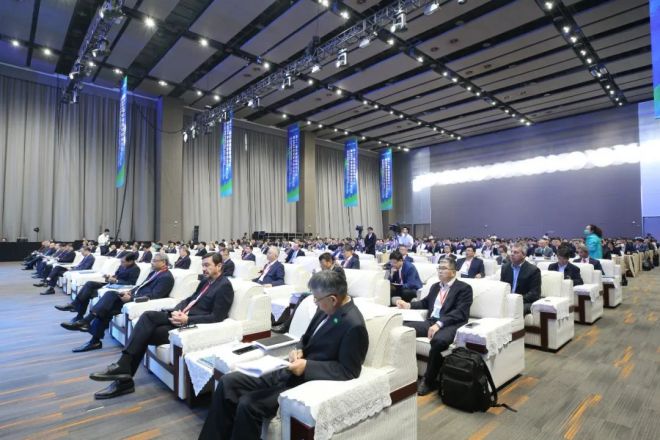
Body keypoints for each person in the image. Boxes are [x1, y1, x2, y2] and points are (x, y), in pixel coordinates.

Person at [198, 270, 368, 440]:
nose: (315, 302)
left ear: (333, 299)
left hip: (306, 381)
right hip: (287, 369)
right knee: (228, 382)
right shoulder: (326, 307)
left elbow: (349, 370)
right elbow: (306, 338)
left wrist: (307, 367)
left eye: (317, 299)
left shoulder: (354, 325)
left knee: (248, 403)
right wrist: (299, 349)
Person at [89, 252, 234, 399]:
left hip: (189, 324)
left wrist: (187, 320)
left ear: (219, 266)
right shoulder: (205, 281)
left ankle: (124, 375)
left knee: (145, 329)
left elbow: (217, 317)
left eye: (207, 265)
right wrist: (177, 309)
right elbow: (189, 299)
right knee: (146, 321)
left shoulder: (224, 286)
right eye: (202, 265)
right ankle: (124, 374)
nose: (203, 269)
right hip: (179, 317)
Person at [61, 253, 174, 353]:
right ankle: (93, 337)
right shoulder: (154, 273)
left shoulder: (166, 277)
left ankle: (88, 326)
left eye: (154, 261)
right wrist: (129, 292)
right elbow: (140, 286)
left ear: (163, 262)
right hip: (132, 297)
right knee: (105, 307)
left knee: (109, 298)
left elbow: (154, 296)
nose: (151, 262)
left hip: (139, 303)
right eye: (152, 260)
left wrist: (131, 298)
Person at [396, 258, 472, 395]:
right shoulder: (435, 286)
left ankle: (428, 381)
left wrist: (439, 323)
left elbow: (460, 312)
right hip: (431, 321)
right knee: (402, 328)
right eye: (439, 268)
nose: (440, 271)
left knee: (439, 341)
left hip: (451, 324)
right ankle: (401, 370)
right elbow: (425, 303)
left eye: (444, 268)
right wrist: (408, 305)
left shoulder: (464, 288)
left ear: (453, 272)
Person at [55, 253, 141, 319]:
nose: (121, 263)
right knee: (89, 284)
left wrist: (116, 281)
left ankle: (79, 314)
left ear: (130, 261)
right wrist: (109, 277)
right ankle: (75, 305)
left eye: (123, 262)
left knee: (88, 293)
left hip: (119, 286)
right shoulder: (121, 266)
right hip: (111, 284)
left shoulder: (135, 269)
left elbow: (132, 282)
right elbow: (116, 275)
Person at [500, 242, 541, 314]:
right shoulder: (505, 267)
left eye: (516, 252)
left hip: (524, 301)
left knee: (515, 310)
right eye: (511, 251)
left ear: (524, 255)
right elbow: (502, 287)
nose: (512, 254)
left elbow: (534, 294)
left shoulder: (533, 270)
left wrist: (516, 300)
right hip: (508, 300)